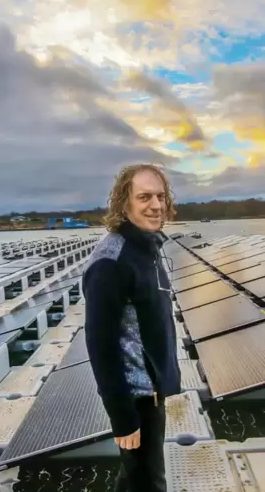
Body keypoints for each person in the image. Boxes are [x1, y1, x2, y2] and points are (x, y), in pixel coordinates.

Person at [82, 163, 181, 492]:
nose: (156, 205)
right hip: (135, 398)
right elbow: (101, 347)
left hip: (152, 392)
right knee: (148, 483)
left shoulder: (147, 249)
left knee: (137, 480)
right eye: (144, 197)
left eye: (160, 196)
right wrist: (122, 417)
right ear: (123, 203)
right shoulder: (111, 262)